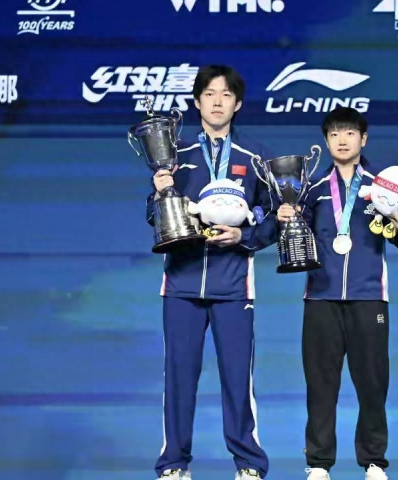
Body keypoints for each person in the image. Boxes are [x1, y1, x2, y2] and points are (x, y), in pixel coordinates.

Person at [146, 65, 277, 480]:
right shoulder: (174, 154)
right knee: (179, 377)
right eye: (209, 94)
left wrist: (243, 236)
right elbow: (152, 215)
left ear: (237, 104)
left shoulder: (255, 157)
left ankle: (249, 465)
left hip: (233, 285)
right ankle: (173, 464)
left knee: (238, 379)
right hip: (181, 283)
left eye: (226, 95)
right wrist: (159, 194)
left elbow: (276, 217)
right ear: (197, 102)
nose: (217, 102)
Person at [277, 107, 398, 480]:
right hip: (320, 297)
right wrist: (288, 219)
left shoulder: (382, 187)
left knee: (372, 382)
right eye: (335, 133)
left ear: (363, 139)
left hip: (369, 297)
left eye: (350, 133)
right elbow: (295, 235)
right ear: (326, 141)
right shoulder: (312, 189)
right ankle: (319, 463)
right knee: (321, 383)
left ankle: (373, 460)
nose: (342, 139)